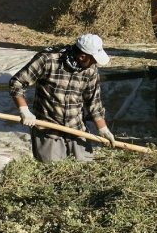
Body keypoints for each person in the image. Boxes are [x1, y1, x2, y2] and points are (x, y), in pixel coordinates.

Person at [9, 34, 116, 162]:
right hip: (48, 128)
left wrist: (103, 128)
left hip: (76, 128)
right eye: (93, 60)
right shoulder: (48, 59)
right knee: (52, 169)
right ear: (82, 56)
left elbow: (93, 101)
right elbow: (17, 83)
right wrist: (24, 111)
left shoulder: (90, 69)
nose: (94, 64)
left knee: (84, 168)